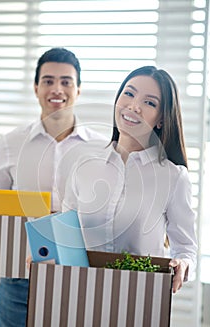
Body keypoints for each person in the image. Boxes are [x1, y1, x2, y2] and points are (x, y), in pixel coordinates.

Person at [0, 47, 107, 327]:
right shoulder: (11, 142)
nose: (56, 89)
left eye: (66, 81)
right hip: (20, 279)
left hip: (76, 279)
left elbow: (110, 210)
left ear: (78, 89)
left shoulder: (102, 149)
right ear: (36, 88)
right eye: (48, 81)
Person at [63, 65, 198, 296]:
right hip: (80, 296)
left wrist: (184, 264)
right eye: (129, 93)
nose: (134, 106)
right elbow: (64, 232)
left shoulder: (173, 177)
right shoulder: (84, 165)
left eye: (150, 102)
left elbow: (186, 248)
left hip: (139, 302)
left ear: (161, 120)